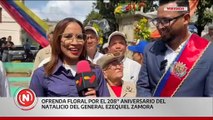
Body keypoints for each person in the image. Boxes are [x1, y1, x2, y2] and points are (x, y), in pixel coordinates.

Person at [137, 0, 213, 97]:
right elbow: (143, 87)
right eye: (158, 21)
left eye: (166, 21)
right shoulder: (150, 50)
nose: (160, 26)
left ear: (185, 19)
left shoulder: (208, 53)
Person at [29, 17, 110, 97]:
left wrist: (97, 104)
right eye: (68, 37)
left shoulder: (96, 71)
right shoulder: (41, 74)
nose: (75, 42)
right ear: (58, 40)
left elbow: (107, 108)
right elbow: (34, 109)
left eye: (79, 37)